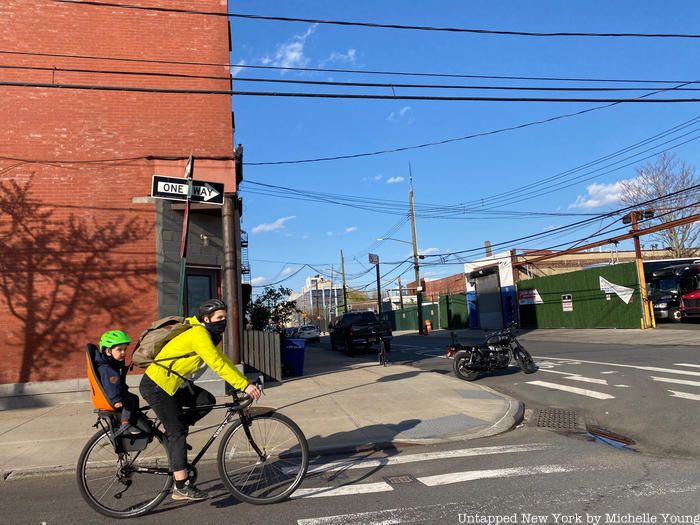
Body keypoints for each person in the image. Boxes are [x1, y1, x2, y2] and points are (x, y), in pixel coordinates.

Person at [139, 299, 261, 502]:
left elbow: (221, 360)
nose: (224, 321)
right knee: (177, 432)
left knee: (206, 400)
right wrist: (244, 385)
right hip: (157, 385)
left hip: (174, 383)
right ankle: (181, 487)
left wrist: (241, 380)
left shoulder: (204, 334)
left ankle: (174, 433)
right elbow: (216, 364)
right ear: (207, 319)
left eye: (225, 317)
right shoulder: (199, 334)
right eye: (219, 318)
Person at [96, 330, 141, 435]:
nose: (123, 353)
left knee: (134, 398)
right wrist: (116, 399)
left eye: (125, 349)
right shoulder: (107, 369)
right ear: (108, 351)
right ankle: (125, 424)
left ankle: (134, 419)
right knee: (129, 402)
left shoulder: (112, 363)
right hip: (113, 397)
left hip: (116, 394)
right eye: (119, 350)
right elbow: (110, 385)